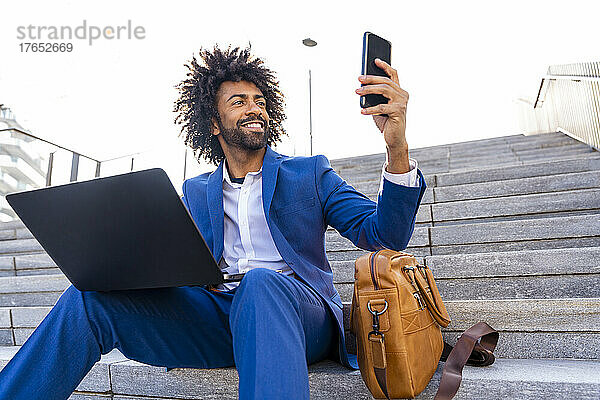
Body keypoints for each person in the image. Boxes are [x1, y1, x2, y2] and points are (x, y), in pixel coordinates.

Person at [0, 45, 425, 400]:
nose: (254, 108)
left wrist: (397, 146)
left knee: (261, 282)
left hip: (298, 316)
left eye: (259, 101)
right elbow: (173, 263)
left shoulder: (309, 174)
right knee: (87, 299)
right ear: (214, 123)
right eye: (238, 102)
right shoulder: (197, 190)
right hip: (220, 317)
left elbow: (384, 236)